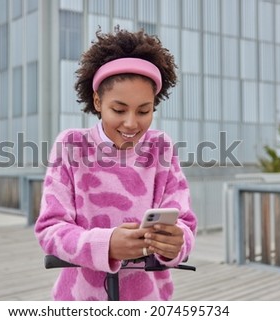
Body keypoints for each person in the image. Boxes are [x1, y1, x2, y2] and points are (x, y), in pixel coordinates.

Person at [35, 28, 197, 301]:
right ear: (98, 101)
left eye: (144, 111)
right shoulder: (71, 146)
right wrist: (105, 245)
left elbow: (184, 222)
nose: (132, 123)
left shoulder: (161, 148)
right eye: (119, 110)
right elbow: (50, 229)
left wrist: (176, 242)